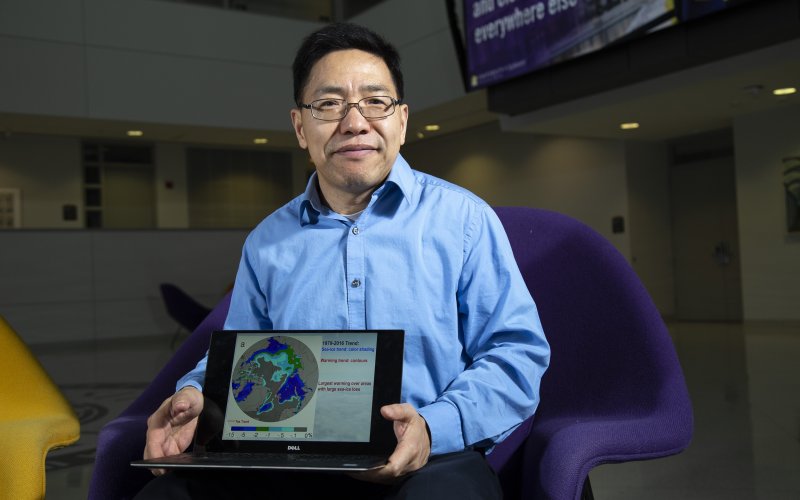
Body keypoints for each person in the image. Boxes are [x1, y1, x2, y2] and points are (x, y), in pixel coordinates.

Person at [135, 22, 549, 500]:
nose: (355, 123)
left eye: (375, 101)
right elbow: (242, 359)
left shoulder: (464, 221)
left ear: (402, 121)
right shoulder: (267, 242)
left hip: (430, 457)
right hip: (292, 457)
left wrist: (432, 427)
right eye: (329, 104)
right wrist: (193, 394)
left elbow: (516, 354)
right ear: (300, 127)